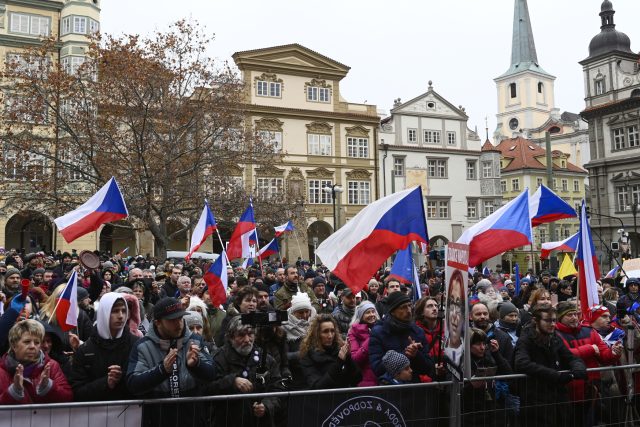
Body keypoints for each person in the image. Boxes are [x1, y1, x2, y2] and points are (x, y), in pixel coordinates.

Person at [127, 297, 214, 426]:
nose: (178, 323)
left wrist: (196, 365)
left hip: (192, 419)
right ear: (157, 322)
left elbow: (212, 374)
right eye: (172, 320)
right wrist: (161, 370)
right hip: (158, 420)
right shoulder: (142, 346)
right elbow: (133, 384)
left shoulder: (194, 340)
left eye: (180, 318)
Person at [514, 306, 587, 426]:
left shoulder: (555, 338)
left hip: (558, 399)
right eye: (548, 321)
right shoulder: (526, 339)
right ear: (536, 321)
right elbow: (522, 363)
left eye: (554, 320)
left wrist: (578, 368)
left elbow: (571, 357)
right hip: (536, 400)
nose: (552, 324)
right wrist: (556, 376)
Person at [205, 316, 283, 426]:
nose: (247, 340)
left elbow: (277, 388)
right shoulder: (218, 358)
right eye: (241, 335)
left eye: (250, 334)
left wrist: (266, 405)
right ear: (231, 337)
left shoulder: (266, 359)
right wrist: (232, 382)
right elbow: (208, 387)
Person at [554, 301, 620, 425]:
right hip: (568, 390)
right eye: (569, 315)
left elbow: (604, 356)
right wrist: (589, 349)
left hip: (590, 389)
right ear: (560, 317)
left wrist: (614, 353)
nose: (574, 317)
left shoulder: (589, 331)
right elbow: (563, 356)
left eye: (576, 314)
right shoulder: (554, 334)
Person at [69, 293, 140, 401]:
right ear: (104, 313)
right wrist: (105, 383)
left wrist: (123, 378)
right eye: (115, 311)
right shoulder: (86, 350)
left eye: (124, 310)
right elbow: (77, 392)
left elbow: (141, 385)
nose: (121, 316)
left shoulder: (135, 344)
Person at [0, 319, 72, 403]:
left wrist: (49, 386)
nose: (32, 346)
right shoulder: (2, 371)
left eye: (37, 342)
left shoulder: (51, 366)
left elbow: (68, 398)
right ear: (13, 345)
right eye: (27, 342)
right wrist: (13, 392)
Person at [369, 291, 435, 383]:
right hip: (390, 389)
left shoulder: (417, 331)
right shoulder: (379, 332)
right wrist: (405, 354)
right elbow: (377, 369)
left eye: (409, 306)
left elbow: (429, 369)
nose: (408, 310)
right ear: (392, 311)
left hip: (415, 389)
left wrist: (416, 355)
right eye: (403, 307)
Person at [462, 328, 512, 427]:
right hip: (469, 413)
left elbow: (508, 373)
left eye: (484, 343)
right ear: (467, 345)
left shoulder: (488, 358)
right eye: (477, 344)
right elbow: (453, 391)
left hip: (489, 411)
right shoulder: (461, 362)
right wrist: (471, 386)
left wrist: (496, 353)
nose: (482, 347)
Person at [299, 314, 361, 389]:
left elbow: (357, 379)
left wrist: (348, 358)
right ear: (317, 334)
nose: (330, 336)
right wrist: (339, 362)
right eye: (325, 332)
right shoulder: (307, 355)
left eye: (332, 331)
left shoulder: (340, 349)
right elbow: (318, 386)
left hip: (345, 397)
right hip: (324, 399)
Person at [347, 300, 379, 387]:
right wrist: (371, 338)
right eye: (368, 312)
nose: (372, 314)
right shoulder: (353, 331)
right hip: (365, 380)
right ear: (361, 316)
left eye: (373, 311)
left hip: (383, 378)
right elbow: (355, 359)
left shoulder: (381, 328)